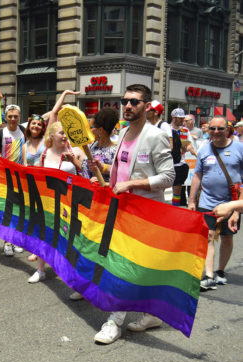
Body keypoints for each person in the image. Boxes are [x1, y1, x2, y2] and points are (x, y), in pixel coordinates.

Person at [93, 84, 175, 345]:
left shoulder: (155, 136)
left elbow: (169, 176)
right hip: (123, 211)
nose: (128, 105)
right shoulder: (125, 132)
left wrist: (131, 185)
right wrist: (105, 169)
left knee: (123, 268)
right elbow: (125, 170)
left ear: (147, 106)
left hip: (145, 215)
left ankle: (114, 321)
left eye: (134, 102)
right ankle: (151, 314)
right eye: (125, 100)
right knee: (134, 266)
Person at [188, 116, 243, 291]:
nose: (216, 132)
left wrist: (237, 209)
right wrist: (191, 200)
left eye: (220, 128)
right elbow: (197, 175)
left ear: (228, 129)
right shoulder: (204, 149)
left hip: (233, 203)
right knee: (208, 237)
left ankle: (220, 271)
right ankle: (209, 275)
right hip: (208, 202)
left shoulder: (239, 148)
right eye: (212, 129)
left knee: (227, 237)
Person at [27, 121, 84, 283]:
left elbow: (85, 174)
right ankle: (40, 269)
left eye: (66, 133)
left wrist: (73, 161)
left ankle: (67, 269)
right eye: (61, 133)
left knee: (67, 235)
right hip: (49, 202)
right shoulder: (44, 153)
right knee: (44, 234)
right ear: (52, 135)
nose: (65, 136)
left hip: (69, 202)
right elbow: (39, 176)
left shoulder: (76, 151)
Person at [0, 104, 26, 256]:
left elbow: (49, 115)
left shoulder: (24, 131)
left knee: (18, 210)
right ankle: (7, 242)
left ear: (20, 117)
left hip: (20, 178)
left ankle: (16, 240)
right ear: (5, 117)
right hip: (4, 178)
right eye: (10, 116)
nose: (13, 119)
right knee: (7, 211)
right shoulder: (0, 133)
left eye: (16, 116)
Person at [81, 107, 119, 183]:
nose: (89, 130)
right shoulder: (92, 146)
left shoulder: (114, 152)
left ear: (100, 130)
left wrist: (101, 182)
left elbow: (120, 176)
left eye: (91, 127)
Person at [169, 108, 190, 206]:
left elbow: (189, 145)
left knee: (177, 188)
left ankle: (174, 207)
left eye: (183, 118)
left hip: (180, 162)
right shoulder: (166, 129)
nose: (182, 120)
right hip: (167, 161)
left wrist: (188, 148)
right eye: (179, 118)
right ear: (173, 118)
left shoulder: (185, 130)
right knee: (161, 187)